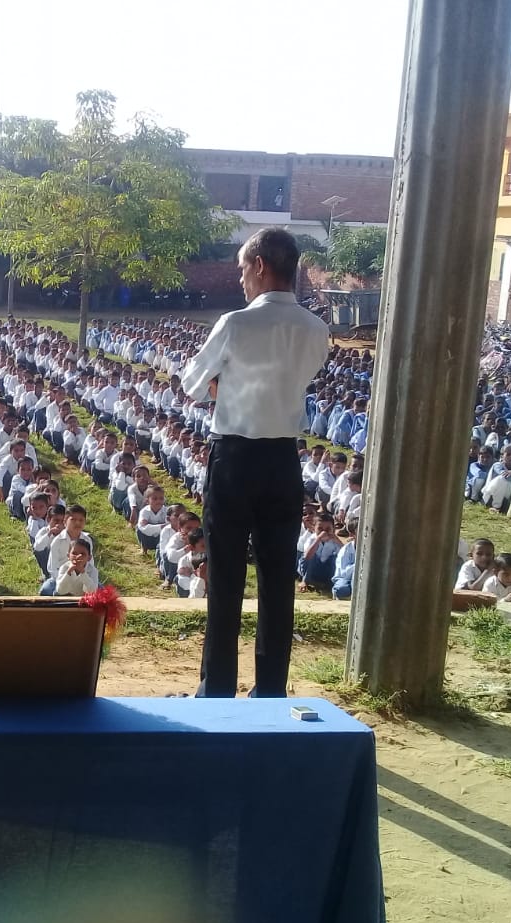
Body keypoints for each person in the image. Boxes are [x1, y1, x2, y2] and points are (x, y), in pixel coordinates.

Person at [179, 228, 328, 698]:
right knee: (278, 579)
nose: (242, 279)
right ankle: (270, 691)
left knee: (225, 577)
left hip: (235, 459)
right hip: (283, 460)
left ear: (261, 265)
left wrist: (226, 384)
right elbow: (297, 380)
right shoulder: (316, 329)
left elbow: (191, 382)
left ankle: (218, 688)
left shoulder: (236, 324)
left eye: (244, 268)